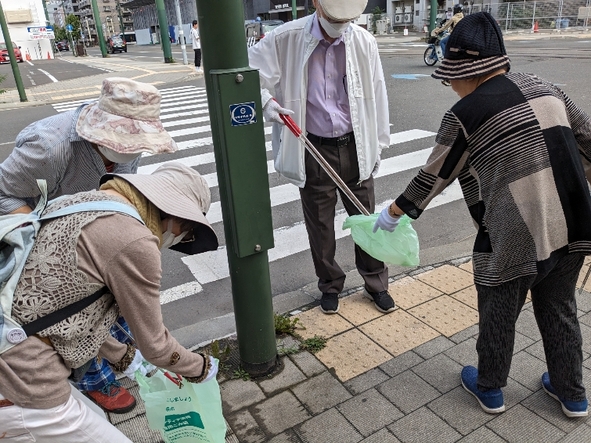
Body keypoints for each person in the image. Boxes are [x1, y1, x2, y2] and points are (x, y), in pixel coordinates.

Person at [374, 12, 591, 418]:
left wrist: (392, 213)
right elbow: (588, 143)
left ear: (467, 72)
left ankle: (490, 389)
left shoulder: (465, 114)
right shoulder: (550, 90)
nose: (449, 86)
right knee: (560, 308)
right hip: (572, 223)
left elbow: (431, 178)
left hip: (514, 234)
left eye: (450, 76)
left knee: (499, 310)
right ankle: (572, 393)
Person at [0, 162, 220, 442]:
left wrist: (122, 355)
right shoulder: (135, 240)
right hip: (21, 379)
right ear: (178, 218)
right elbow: (156, 346)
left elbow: (59, 312)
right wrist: (201, 368)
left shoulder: (80, 202)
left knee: (96, 419)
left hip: (12, 351)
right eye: (186, 233)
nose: (178, 239)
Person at [0, 77, 178, 413]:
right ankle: (92, 377)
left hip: (91, 226)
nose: (132, 150)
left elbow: (119, 188)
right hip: (36, 233)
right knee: (68, 317)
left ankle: (121, 356)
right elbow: (2, 193)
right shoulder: (49, 146)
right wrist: (44, 233)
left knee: (113, 301)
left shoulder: (126, 150)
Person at [248, 0, 394, 315]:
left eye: (348, 20)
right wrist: (266, 102)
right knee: (321, 226)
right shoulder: (285, 37)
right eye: (333, 17)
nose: (340, 27)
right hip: (312, 146)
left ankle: (376, 283)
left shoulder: (363, 41)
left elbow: (378, 91)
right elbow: (250, 74)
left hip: (355, 144)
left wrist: (378, 143)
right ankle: (329, 285)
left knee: (365, 219)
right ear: (316, 4)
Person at [433, 3, 464, 83]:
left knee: (442, 42)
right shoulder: (463, 17)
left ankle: (445, 58)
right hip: (461, 36)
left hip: (454, 36)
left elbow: (445, 27)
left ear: (456, 10)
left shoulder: (453, 18)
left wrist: (437, 31)